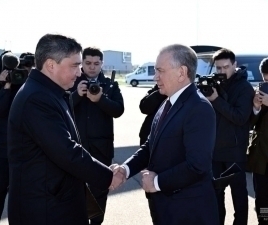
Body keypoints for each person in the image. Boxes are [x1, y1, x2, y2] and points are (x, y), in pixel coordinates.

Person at [7, 34, 124, 225]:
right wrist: (108, 177)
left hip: (55, 202)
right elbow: (66, 151)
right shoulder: (37, 98)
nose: (80, 73)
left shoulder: (48, 92)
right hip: (45, 210)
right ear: (51, 65)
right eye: (75, 65)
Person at [112, 44, 219, 225]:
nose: (155, 77)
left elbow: (197, 165)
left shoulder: (198, 108)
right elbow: (149, 146)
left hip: (188, 212)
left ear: (181, 72)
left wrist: (157, 182)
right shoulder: (167, 103)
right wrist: (125, 169)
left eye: (160, 71)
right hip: (166, 208)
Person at [69, 47, 124, 225]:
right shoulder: (71, 83)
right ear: (82, 63)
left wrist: (100, 99)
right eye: (88, 63)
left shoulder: (110, 85)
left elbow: (118, 110)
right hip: (76, 147)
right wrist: (77, 94)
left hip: (102, 148)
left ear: (102, 64)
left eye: (96, 63)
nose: (92, 67)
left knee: (100, 190)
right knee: (74, 190)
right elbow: (60, 106)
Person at [206, 48, 254, 225]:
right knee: (215, 194)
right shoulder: (213, 84)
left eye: (225, 67)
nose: (221, 71)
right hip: (214, 150)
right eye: (218, 68)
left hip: (235, 151)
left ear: (234, 65)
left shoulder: (244, 87)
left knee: (239, 194)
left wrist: (216, 100)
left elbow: (241, 118)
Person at [0, 53, 33, 225]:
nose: (24, 73)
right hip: (4, 150)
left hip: (27, 151)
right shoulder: (4, 86)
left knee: (22, 195)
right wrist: (5, 86)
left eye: (29, 69)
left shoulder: (34, 88)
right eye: (23, 68)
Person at [247, 57, 268, 225]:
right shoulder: (259, 92)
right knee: (262, 201)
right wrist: (256, 107)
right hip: (261, 158)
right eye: (265, 79)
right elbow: (249, 124)